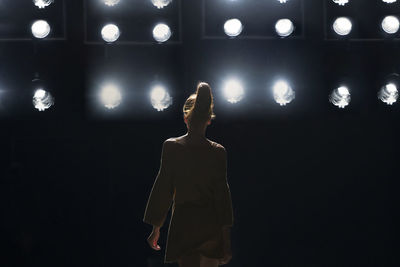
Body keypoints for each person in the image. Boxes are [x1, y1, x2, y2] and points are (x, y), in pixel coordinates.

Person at [143, 82, 234, 267]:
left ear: (186, 118)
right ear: (209, 119)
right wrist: (226, 240)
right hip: (210, 224)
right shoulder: (218, 152)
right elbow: (222, 198)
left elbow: (163, 188)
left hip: (185, 223)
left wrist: (156, 228)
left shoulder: (172, 147)